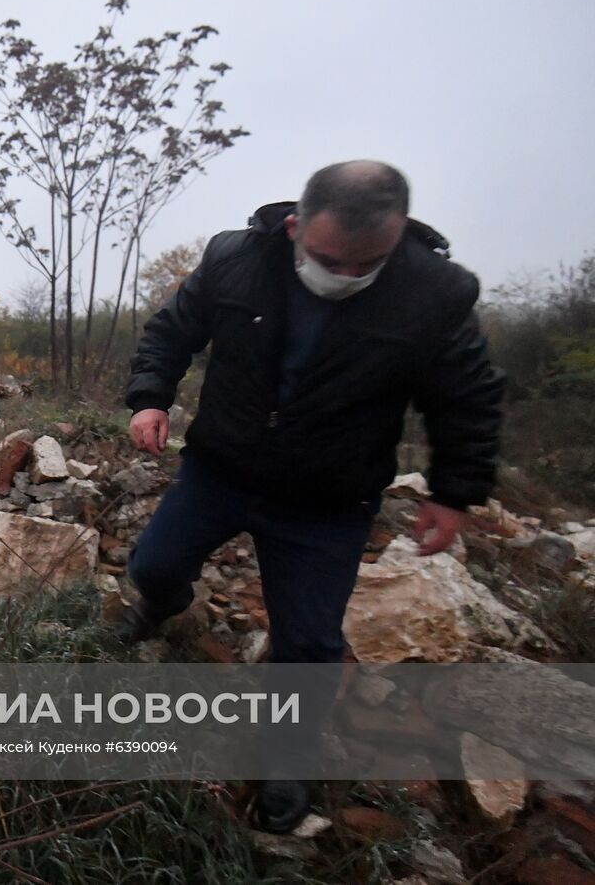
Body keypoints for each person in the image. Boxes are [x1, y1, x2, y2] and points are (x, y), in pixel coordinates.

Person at [117, 160, 505, 832]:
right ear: (295, 227)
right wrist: (151, 398)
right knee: (152, 565)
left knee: (308, 644)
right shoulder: (236, 258)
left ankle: (287, 756)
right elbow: (172, 329)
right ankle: (164, 605)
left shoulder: (433, 293)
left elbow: (466, 398)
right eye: (329, 261)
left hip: (326, 500)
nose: (346, 278)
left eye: (367, 266)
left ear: (395, 239)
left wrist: (455, 492)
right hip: (222, 468)